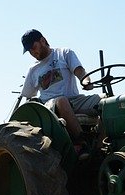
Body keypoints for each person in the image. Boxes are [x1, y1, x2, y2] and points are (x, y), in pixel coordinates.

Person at [20, 29, 101, 158]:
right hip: (50, 108)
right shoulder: (33, 69)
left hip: (74, 100)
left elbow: (80, 72)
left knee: (106, 102)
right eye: (29, 51)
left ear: (43, 40)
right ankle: (82, 144)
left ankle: (102, 145)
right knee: (61, 101)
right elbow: (28, 96)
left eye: (34, 47)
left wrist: (86, 81)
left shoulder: (63, 53)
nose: (33, 53)